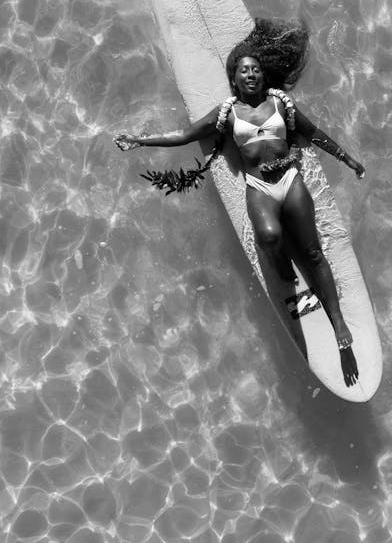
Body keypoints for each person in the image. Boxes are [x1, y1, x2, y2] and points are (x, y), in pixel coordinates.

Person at [114, 19, 365, 387]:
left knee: (313, 253)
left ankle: (339, 324)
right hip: (260, 186)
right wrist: (139, 140)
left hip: (290, 179)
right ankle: (283, 273)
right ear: (235, 79)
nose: (251, 75)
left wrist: (347, 159)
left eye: (256, 70)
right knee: (268, 236)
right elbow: (184, 135)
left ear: (264, 77)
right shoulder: (227, 113)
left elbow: (314, 134)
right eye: (244, 71)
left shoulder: (281, 104)